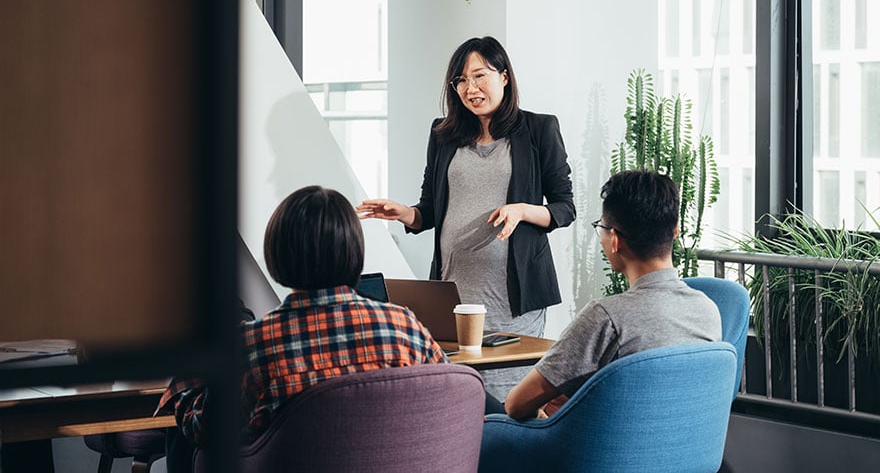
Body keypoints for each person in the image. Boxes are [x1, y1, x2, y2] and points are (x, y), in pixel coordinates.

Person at [157, 186, 448, 470]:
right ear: (354, 249)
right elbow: (448, 395)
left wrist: (191, 380)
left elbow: (203, 430)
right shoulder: (403, 326)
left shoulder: (254, 345)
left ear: (278, 253)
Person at [357, 36, 575, 400]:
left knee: (506, 400)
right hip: (453, 293)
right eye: (460, 81)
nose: (470, 88)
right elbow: (429, 209)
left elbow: (565, 208)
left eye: (479, 76)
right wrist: (405, 214)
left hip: (514, 298)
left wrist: (522, 210)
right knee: (456, 396)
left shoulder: (538, 130)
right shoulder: (443, 135)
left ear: (504, 76)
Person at [499, 170, 722, 419]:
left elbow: (516, 406)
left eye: (602, 228)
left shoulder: (607, 318)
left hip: (591, 456)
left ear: (615, 239)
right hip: (685, 455)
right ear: (676, 231)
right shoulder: (708, 310)